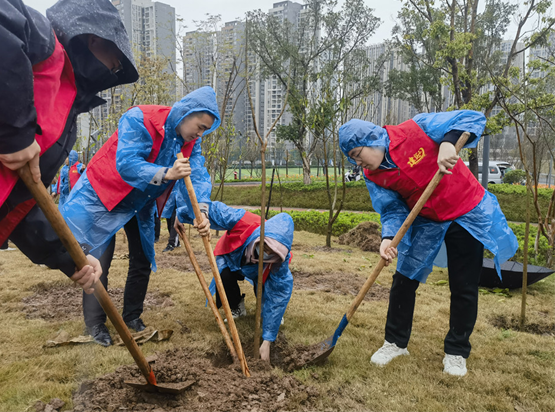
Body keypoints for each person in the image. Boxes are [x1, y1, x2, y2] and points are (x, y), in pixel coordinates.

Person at [0, 0, 138, 411]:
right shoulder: (40, 39)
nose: (113, 70)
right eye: (114, 60)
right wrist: (14, 131)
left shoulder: (66, 111)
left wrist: (72, 258)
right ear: (94, 38)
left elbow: (22, 205)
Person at [338, 110, 519, 377]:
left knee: (463, 285)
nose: (359, 163)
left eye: (357, 154)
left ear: (372, 139)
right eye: (353, 159)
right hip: (427, 221)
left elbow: (471, 118)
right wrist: (388, 238)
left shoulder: (416, 129)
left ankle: (456, 352)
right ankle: (395, 343)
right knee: (404, 280)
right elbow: (391, 209)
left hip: (465, 211)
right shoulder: (373, 175)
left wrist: (448, 142)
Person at [62, 86, 220, 346]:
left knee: (142, 259)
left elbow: (198, 173)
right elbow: (126, 163)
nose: (200, 133)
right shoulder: (140, 118)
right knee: (98, 260)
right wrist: (167, 172)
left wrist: (201, 209)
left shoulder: (191, 141)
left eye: (205, 130)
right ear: (186, 112)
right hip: (107, 195)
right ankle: (95, 323)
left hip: (141, 202)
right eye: (200, 126)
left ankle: (132, 316)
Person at [177, 201, 294, 362]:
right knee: (224, 277)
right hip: (233, 257)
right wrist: (182, 214)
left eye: (272, 253)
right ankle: (237, 306)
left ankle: (267, 316)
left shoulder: (279, 263)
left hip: (258, 272)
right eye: (265, 248)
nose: (265, 254)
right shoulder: (244, 221)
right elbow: (214, 210)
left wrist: (267, 340)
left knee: (267, 289)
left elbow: (278, 295)